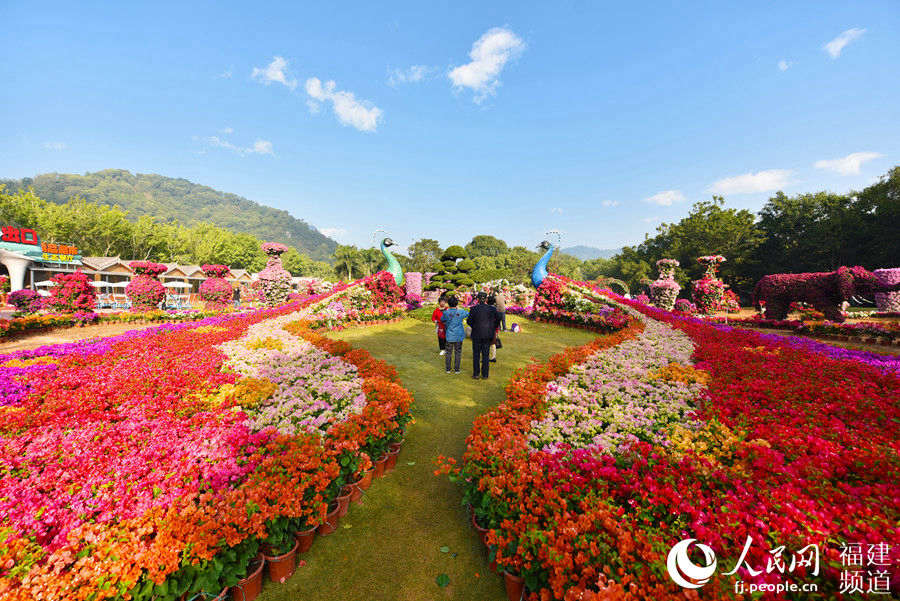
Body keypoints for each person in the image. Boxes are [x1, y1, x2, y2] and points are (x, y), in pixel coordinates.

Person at [466, 291, 500, 380]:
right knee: (485, 355)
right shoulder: (492, 309)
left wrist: (475, 326)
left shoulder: (474, 309)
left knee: (476, 355)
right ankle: (485, 374)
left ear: (477, 299)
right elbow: (498, 319)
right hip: (487, 334)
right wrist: (492, 327)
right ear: (486, 299)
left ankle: (476, 374)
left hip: (477, 333)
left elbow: (469, 321)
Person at [440, 296, 468, 374]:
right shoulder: (461, 311)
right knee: (458, 352)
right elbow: (467, 313)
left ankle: (448, 369)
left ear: (448, 304)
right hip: (459, 335)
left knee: (448, 352)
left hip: (449, 335)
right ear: (456, 303)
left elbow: (442, 320)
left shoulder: (446, 312)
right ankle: (457, 369)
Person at [487, 295, 501, 363]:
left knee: (486, 343)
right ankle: (493, 356)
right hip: (493, 328)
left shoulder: (486, 308)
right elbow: (498, 319)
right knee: (493, 343)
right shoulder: (495, 309)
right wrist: (495, 326)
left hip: (486, 327)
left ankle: (487, 356)